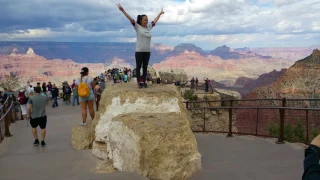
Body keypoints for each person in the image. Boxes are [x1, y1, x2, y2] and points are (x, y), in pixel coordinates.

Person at [117, 3, 164, 88]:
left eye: (147, 20)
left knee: (145, 67)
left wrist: (160, 14)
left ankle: (144, 81)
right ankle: (139, 82)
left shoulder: (148, 28)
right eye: (145, 20)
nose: (146, 21)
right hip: (139, 51)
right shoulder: (137, 27)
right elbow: (130, 19)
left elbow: (154, 21)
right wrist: (123, 10)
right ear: (141, 21)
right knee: (138, 67)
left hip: (147, 51)